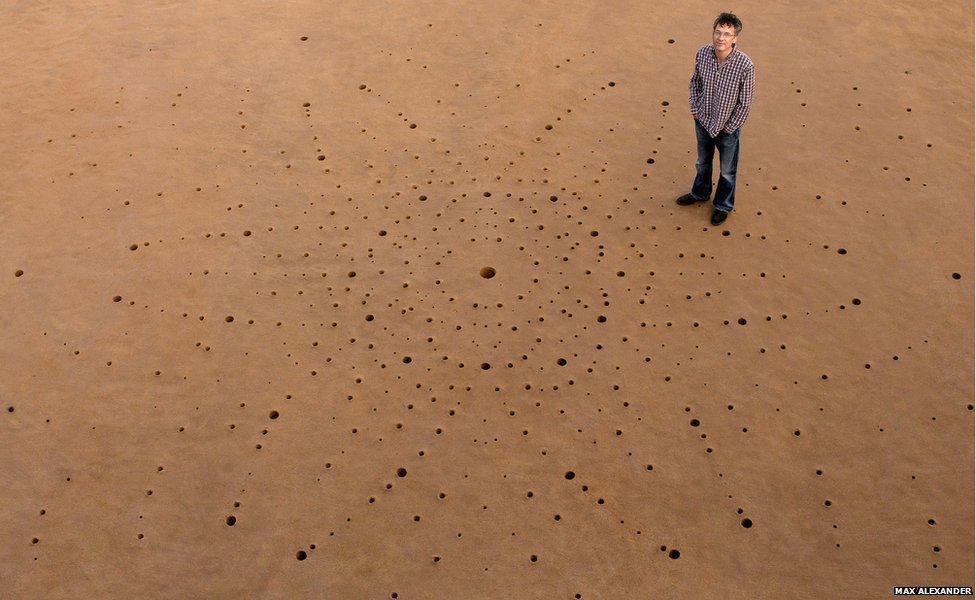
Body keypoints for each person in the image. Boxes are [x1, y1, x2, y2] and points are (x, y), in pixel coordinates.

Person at [675, 12, 756, 226]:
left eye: (727, 34)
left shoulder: (745, 65)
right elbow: (695, 83)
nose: (721, 38)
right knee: (703, 162)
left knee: (727, 171)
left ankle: (722, 206)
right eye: (718, 32)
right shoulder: (702, 54)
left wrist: (729, 127)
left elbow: (745, 103)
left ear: (735, 38)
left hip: (728, 129)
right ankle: (700, 193)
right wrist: (695, 109)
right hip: (702, 121)